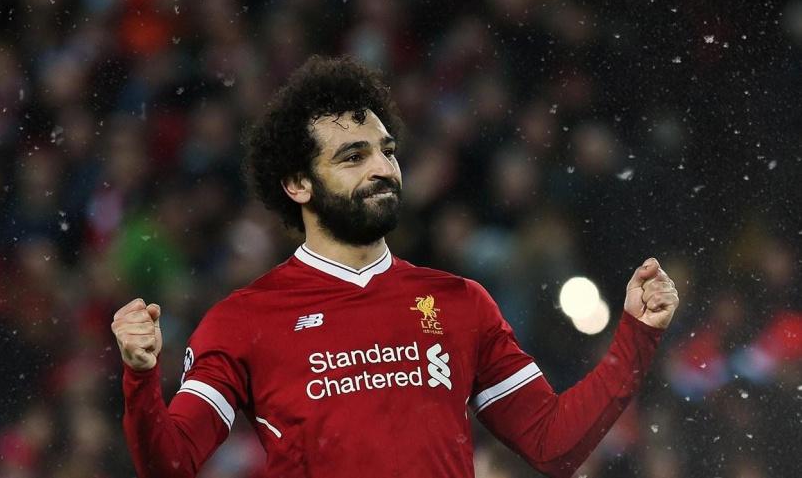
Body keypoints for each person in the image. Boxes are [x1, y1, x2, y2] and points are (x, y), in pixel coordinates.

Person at [112, 55, 679, 478]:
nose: (382, 168)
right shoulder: (243, 321)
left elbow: (553, 443)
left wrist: (637, 334)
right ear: (298, 184)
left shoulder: (461, 303)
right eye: (353, 156)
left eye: (387, 150)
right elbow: (173, 464)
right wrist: (140, 377)